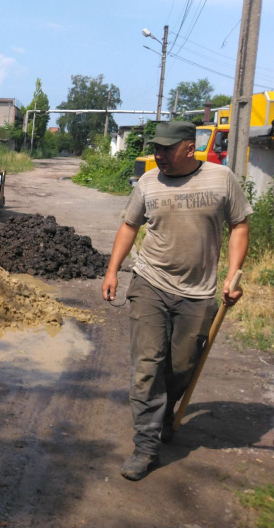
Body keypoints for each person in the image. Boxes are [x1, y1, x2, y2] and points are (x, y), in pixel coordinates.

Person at [101, 121, 252, 481]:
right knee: (147, 365)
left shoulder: (221, 178)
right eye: (156, 148)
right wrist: (112, 271)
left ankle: (165, 410)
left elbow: (240, 226)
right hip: (150, 283)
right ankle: (146, 445)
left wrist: (232, 275)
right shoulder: (149, 182)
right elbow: (129, 226)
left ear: (189, 147)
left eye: (167, 149)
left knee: (182, 366)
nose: (159, 155)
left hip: (199, 292)